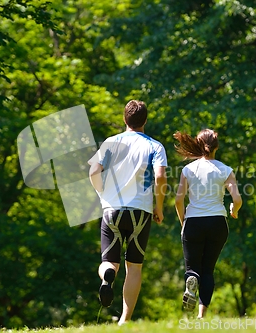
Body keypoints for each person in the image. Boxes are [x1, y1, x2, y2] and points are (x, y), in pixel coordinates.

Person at [88, 100, 168, 325]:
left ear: (125, 119)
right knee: (134, 267)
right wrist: (158, 206)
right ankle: (125, 320)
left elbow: (93, 170)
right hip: (140, 212)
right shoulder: (155, 146)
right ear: (145, 120)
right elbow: (161, 177)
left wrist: (101, 193)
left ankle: (107, 276)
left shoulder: (110, 143)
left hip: (111, 209)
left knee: (108, 261)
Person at [173, 129, 242, 319]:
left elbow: (178, 200)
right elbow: (237, 199)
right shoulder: (225, 170)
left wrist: (183, 222)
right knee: (208, 270)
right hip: (217, 222)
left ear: (198, 144)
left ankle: (191, 281)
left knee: (193, 268)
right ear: (216, 147)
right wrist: (233, 211)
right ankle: (201, 316)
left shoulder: (188, 170)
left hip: (193, 222)